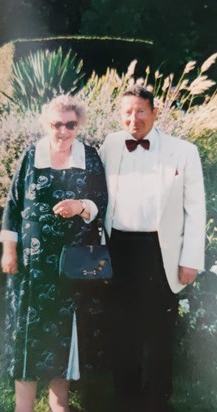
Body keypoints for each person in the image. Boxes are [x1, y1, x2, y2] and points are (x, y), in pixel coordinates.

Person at [99, 85, 206, 412]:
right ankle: (125, 397)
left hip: (161, 252)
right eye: (127, 113)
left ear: (155, 113)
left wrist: (190, 260)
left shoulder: (183, 151)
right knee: (121, 329)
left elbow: (196, 209)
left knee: (158, 331)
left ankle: (157, 399)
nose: (134, 119)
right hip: (118, 249)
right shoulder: (111, 145)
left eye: (141, 111)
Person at [0, 94, 108, 412]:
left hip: (71, 265)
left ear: (79, 125)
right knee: (28, 331)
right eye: (56, 124)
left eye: (70, 124)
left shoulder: (89, 156)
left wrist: (80, 206)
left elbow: (101, 200)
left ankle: (59, 405)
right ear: (47, 124)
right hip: (31, 266)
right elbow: (14, 203)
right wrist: (9, 249)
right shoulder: (32, 154)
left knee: (66, 335)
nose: (63, 131)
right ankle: (24, 407)